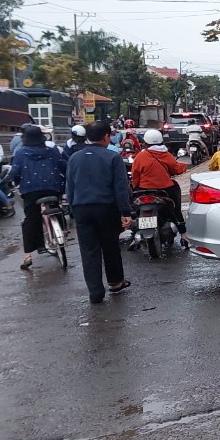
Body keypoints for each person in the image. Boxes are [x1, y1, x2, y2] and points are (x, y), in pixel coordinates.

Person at [66, 122, 133, 304]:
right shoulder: (113, 157)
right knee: (110, 246)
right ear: (105, 137)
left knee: (89, 251)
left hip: (82, 209)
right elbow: (120, 188)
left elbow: (70, 187)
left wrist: (73, 209)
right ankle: (115, 282)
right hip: (106, 208)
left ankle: (95, 292)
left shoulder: (74, 158)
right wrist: (125, 211)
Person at [9, 125, 68, 269]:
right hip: (53, 188)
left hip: (31, 190)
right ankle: (62, 230)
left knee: (31, 219)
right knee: (57, 207)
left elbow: (15, 172)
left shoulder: (21, 153)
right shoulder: (52, 150)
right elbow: (63, 165)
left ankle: (28, 255)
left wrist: (12, 181)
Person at [129, 129, 189, 249]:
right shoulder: (166, 155)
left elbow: (135, 175)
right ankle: (183, 234)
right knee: (176, 210)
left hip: (143, 190)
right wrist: (184, 166)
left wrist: (135, 188)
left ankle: (134, 234)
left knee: (133, 209)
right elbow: (177, 169)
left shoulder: (141, 156)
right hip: (165, 190)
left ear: (145, 142)